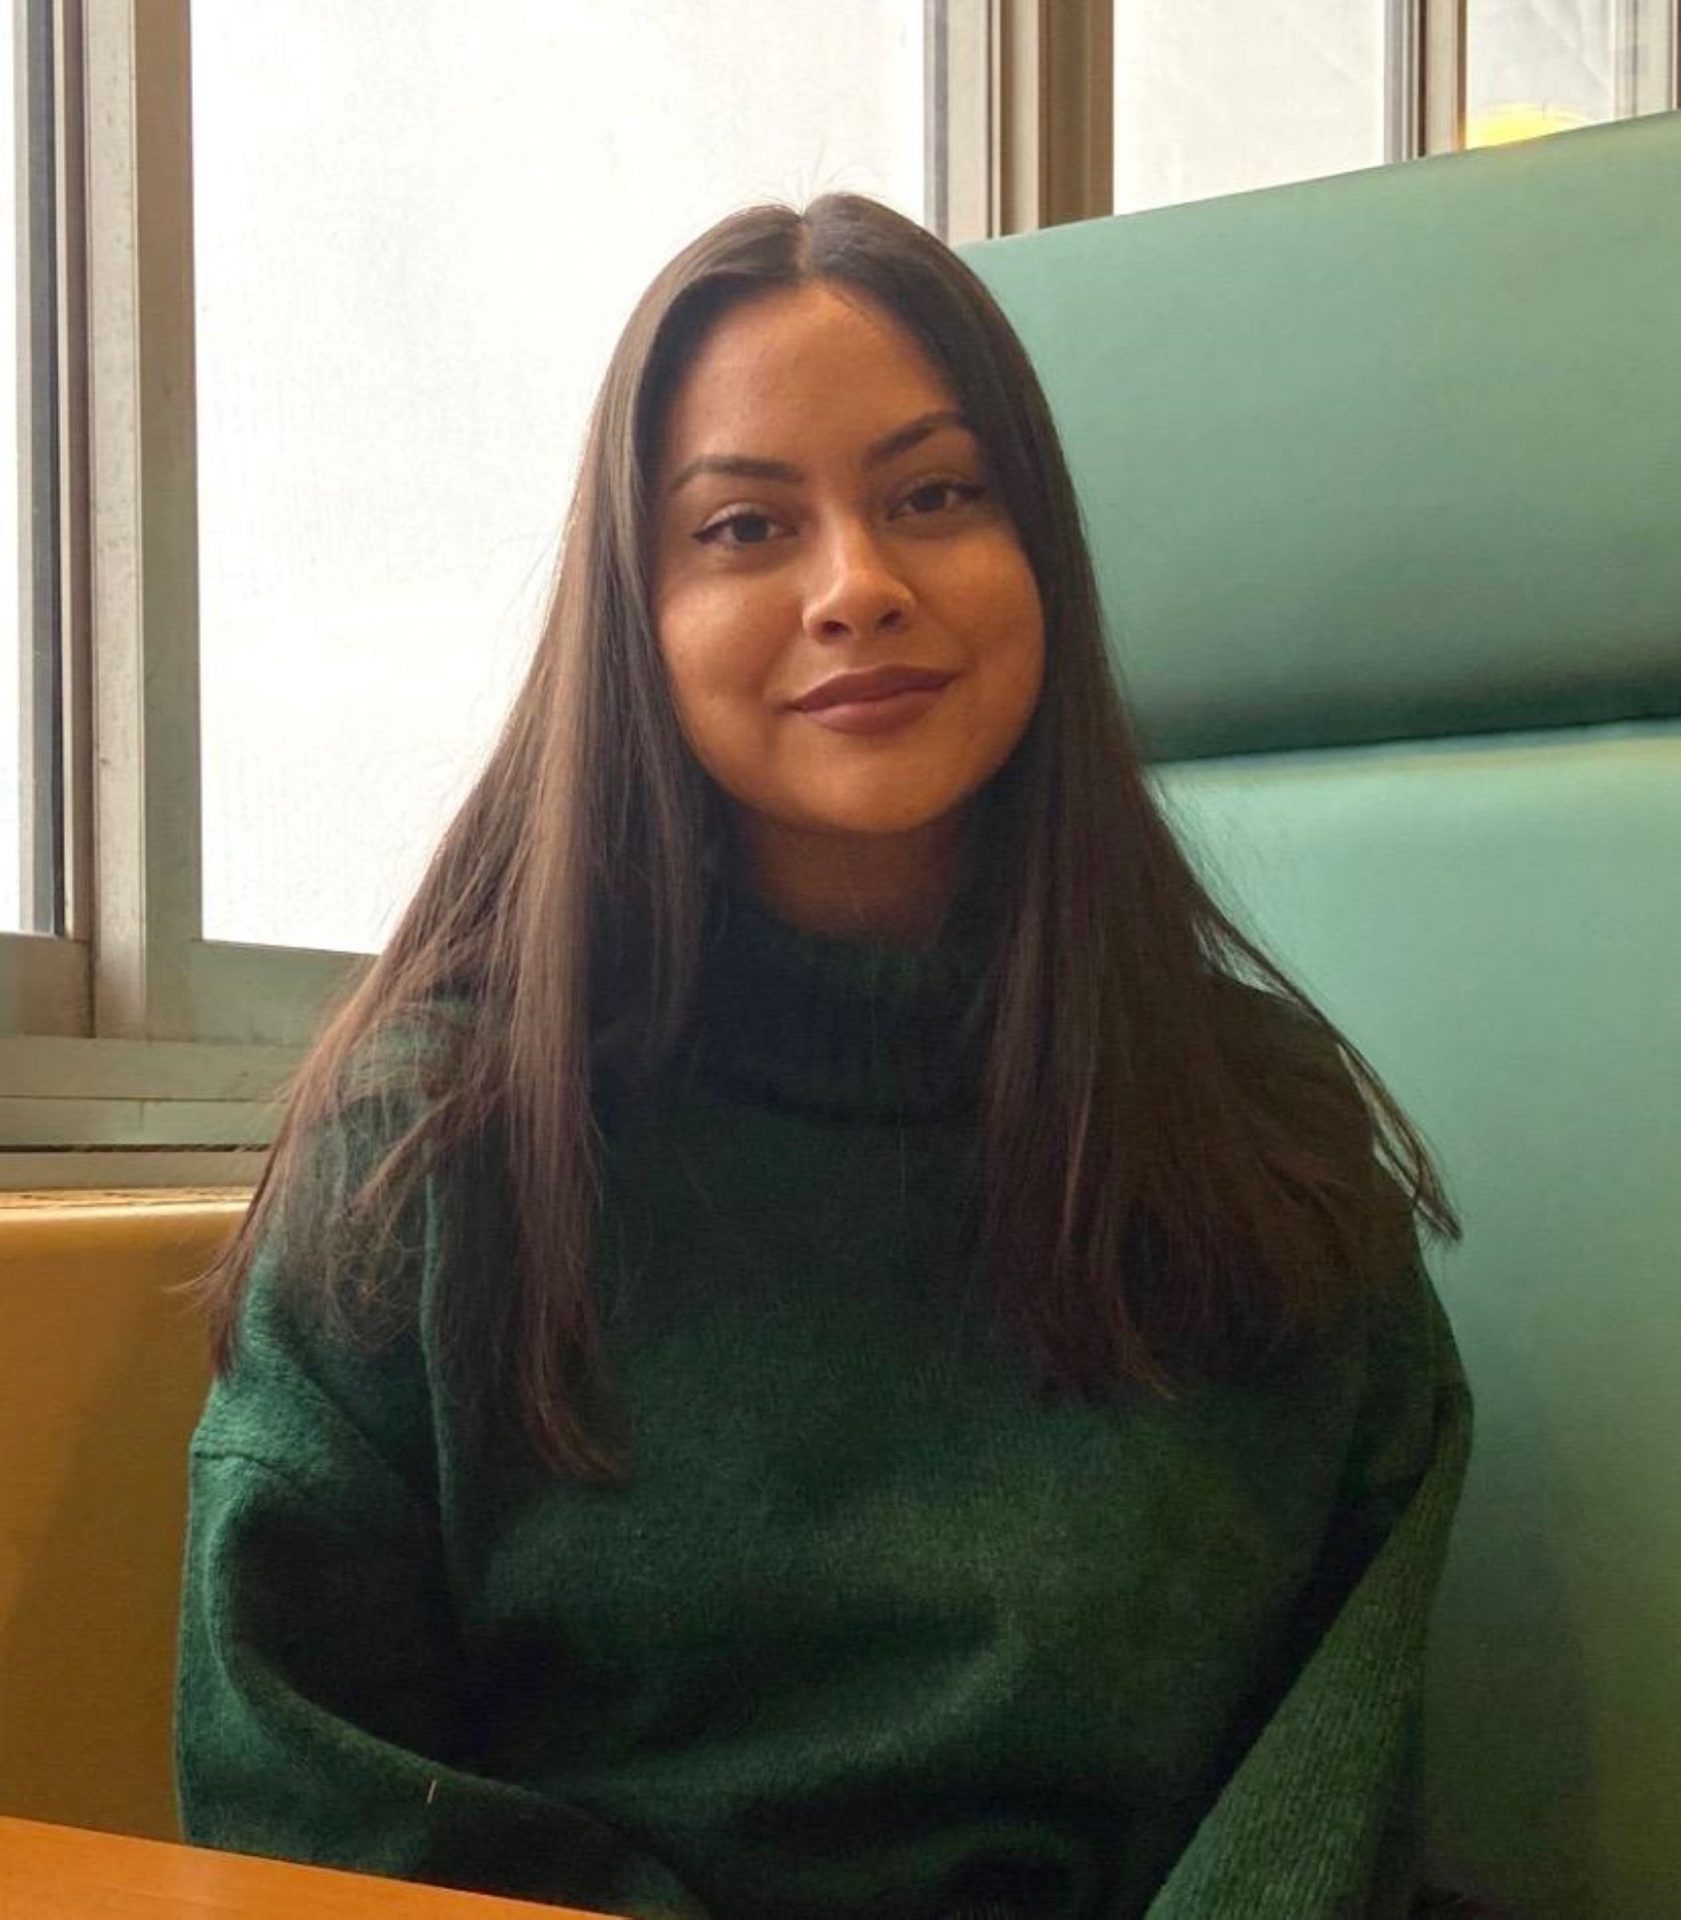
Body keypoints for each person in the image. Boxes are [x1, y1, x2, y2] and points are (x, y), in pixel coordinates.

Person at [177, 192, 1475, 1920]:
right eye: (742, 527)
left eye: (935, 495)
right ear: (634, 616)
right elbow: (299, 1784)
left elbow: (1332, 1770)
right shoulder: (429, 1148)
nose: (856, 588)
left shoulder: (1261, 1138)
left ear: (1042, 559)